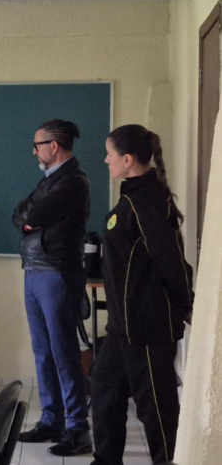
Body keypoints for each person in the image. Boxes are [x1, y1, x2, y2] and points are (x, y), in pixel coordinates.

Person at [91, 125, 193, 465]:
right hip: (123, 326)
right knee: (105, 392)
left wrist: (185, 305)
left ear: (128, 159)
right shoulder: (133, 196)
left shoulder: (146, 201)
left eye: (110, 154)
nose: (106, 160)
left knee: (157, 411)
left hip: (147, 327)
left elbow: (171, 262)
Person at [12, 119, 93, 456]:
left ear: (54, 146)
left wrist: (29, 220)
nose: (34, 151)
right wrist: (28, 219)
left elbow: (33, 215)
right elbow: (21, 215)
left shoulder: (72, 181)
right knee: (43, 351)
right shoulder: (50, 179)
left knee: (63, 353)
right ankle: (51, 420)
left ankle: (77, 429)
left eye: (38, 145)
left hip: (57, 273)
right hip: (36, 270)